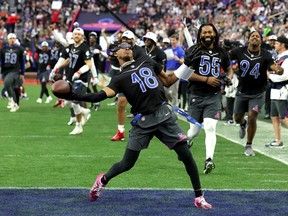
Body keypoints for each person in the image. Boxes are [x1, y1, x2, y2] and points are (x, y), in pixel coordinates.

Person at [53, 42, 212, 209]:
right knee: (127, 163)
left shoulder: (145, 59)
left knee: (187, 156)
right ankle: (102, 180)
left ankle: (199, 197)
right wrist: (72, 94)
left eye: (129, 45)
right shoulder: (119, 79)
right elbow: (99, 96)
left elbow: (169, 80)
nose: (127, 47)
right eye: (123, 46)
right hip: (143, 121)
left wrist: (187, 64)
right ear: (115, 54)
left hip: (163, 115)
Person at [185, 24, 233, 174]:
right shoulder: (193, 51)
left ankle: (209, 159)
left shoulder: (222, 52)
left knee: (211, 127)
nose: (207, 34)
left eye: (210, 32)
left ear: (214, 34)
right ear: (200, 35)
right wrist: (207, 80)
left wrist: (227, 79)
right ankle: (188, 140)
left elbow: (229, 69)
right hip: (196, 95)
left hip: (213, 96)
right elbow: (185, 73)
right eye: (204, 32)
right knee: (193, 132)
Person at [229, 31, 284, 156]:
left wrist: (278, 69)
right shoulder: (239, 51)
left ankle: (248, 145)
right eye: (252, 36)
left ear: (260, 41)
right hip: (242, 91)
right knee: (237, 118)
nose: (255, 37)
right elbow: (225, 57)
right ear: (248, 39)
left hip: (258, 92)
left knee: (252, 115)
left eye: (257, 36)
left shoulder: (266, 54)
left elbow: (273, 66)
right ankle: (242, 124)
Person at [50, 27, 92, 135]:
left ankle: (79, 127)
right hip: (70, 78)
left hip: (81, 79)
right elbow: (69, 60)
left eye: (79, 34)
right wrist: (57, 67)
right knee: (67, 102)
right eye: (75, 34)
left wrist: (79, 72)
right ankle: (84, 111)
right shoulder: (72, 46)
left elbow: (89, 64)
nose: (76, 36)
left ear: (82, 36)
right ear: (73, 35)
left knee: (74, 103)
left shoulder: (85, 48)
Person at [265, 36, 288, 148]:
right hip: (275, 89)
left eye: (277, 43)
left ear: (282, 44)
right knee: (274, 115)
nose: (274, 45)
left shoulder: (287, 57)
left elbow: (285, 76)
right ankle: (278, 140)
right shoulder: (279, 57)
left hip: (282, 89)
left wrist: (270, 76)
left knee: (284, 116)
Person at [0, 33, 25, 112]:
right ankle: (15, 104)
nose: (12, 40)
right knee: (11, 87)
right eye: (10, 38)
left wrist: (22, 73)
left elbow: (22, 62)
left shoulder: (20, 49)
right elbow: (1, 60)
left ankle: (11, 100)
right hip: (5, 70)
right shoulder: (3, 49)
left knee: (7, 83)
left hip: (15, 70)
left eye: (14, 38)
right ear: (8, 39)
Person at [165, 34, 185, 107]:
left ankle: (175, 107)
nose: (172, 41)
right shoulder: (168, 50)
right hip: (167, 70)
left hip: (176, 71)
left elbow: (183, 61)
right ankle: (175, 101)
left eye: (174, 40)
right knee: (165, 90)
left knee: (174, 91)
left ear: (177, 41)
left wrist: (178, 59)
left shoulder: (180, 50)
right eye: (171, 40)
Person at [264, 35, 278, 119]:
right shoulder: (266, 50)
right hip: (269, 74)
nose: (272, 42)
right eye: (271, 40)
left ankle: (277, 112)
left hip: (277, 74)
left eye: (274, 41)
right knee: (268, 95)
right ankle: (267, 112)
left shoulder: (279, 50)